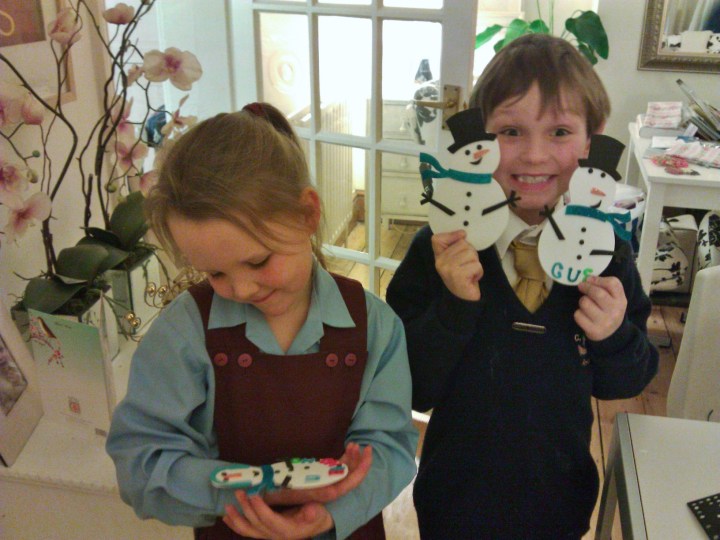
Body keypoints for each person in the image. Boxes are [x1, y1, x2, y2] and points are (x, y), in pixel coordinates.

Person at [386, 34, 659, 539]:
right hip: (453, 504)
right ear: (481, 140)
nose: (534, 156)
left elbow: (625, 382)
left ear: (591, 140)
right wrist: (453, 307)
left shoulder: (608, 254)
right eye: (511, 131)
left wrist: (613, 334)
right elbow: (411, 388)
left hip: (558, 504)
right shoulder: (439, 248)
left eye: (559, 131)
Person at [106, 102, 418, 540]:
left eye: (257, 261)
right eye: (215, 274)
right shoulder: (184, 333)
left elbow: (391, 448)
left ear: (307, 214)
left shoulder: (376, 327)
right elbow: (141, 465)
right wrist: (258, 492)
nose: (241, 289)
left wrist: (329, 512)